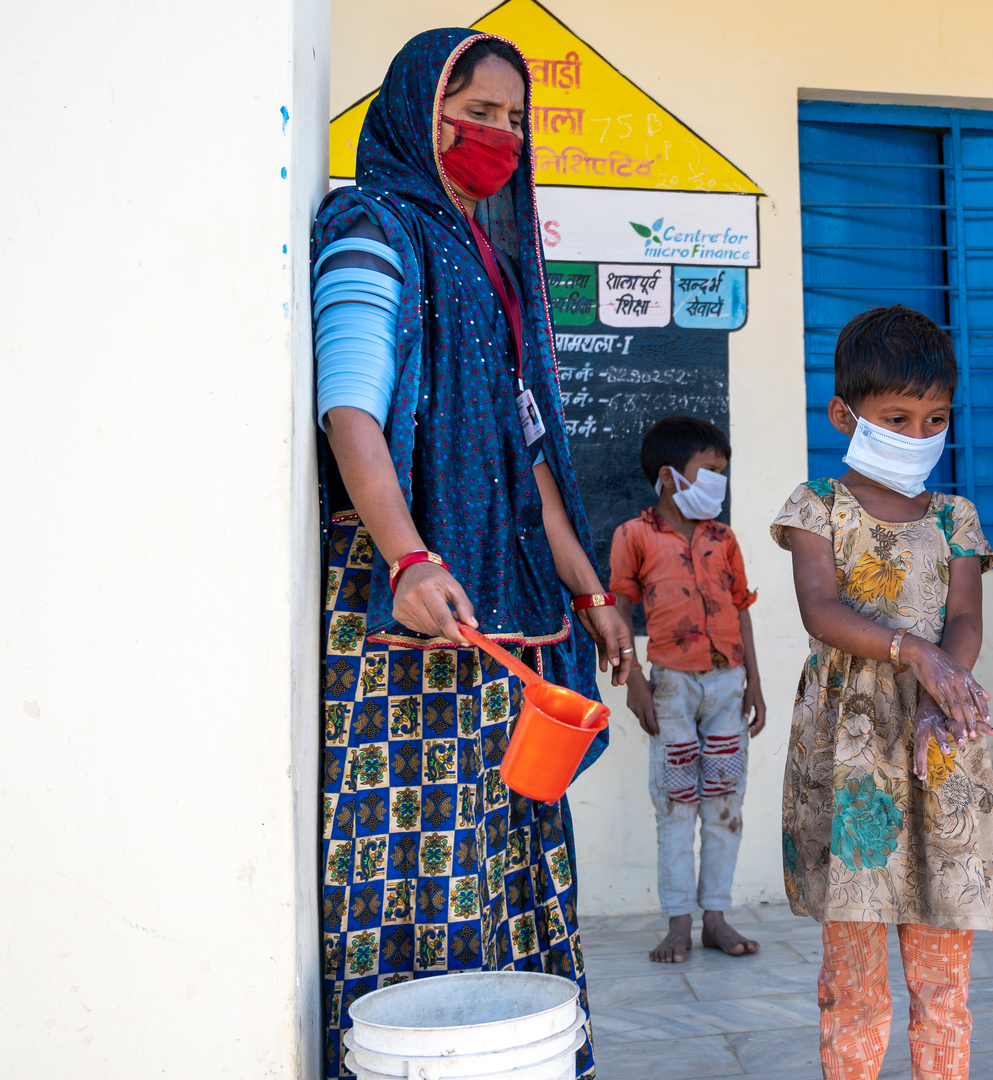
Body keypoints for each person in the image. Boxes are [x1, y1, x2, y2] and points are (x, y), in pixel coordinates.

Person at [310, 29, 634, 1080]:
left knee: (503, 863)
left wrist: (590, 595)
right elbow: (350, 411)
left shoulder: (485, 260)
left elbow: (524, 457)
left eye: (512, 118)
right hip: (406, 623)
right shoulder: (372, 229)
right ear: (417, 109)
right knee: (413, 876)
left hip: (502, 633)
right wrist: (408, 560)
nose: (497, 135)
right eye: (475, 110)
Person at [771, 305, 993, 1080]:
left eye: (934, 418)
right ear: (846, 415)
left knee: (944, 975)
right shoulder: (817, 506)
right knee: (855, 979)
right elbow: (822, 610)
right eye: (896, 417)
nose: (917, 435)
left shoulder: (957, 517)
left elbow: (966, 615)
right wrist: (916, 655)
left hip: (940, 741)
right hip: (853, 757)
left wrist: (947, 680)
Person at [608, 415, 768, 964]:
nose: (719, 481)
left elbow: (742, 610)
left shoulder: (724, 538)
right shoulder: (634, 535)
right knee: (676, 806)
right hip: (672, 687)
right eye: (710, 470)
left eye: (723, 471)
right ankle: (678, 921)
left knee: (725, 805)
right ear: (672, 476)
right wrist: (633, 683)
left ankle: (715, 917)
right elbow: (620, 609)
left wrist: (756, 685)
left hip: (728, 686)